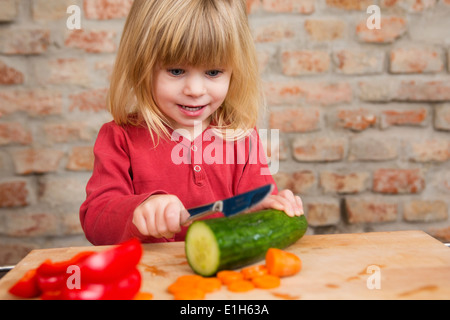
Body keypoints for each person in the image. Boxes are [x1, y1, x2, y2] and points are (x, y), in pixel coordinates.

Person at [79, 0, 303, 246]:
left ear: (234, 71)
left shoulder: (241, 136)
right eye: (176, 71)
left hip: (223, 277)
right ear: (142, 67)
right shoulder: (119, 138)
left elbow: (259, 202)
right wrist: (138, 211)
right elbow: (96, 221)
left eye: (213, 72)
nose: (195, 90)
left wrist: (272, 207)